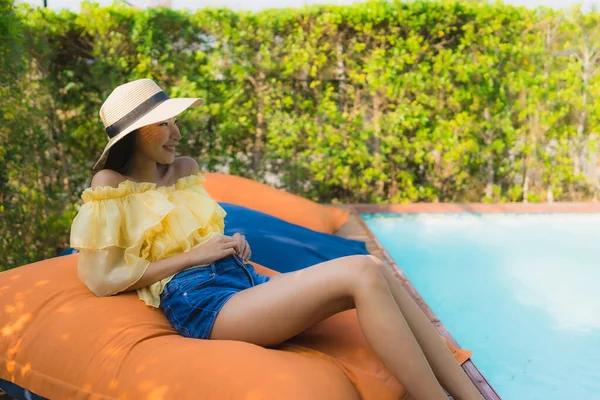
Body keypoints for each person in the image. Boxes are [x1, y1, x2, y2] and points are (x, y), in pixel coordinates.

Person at [69, 78, 482, 400]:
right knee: (360, 270)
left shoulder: (183, 170)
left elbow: (200, 236)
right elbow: (103, 278)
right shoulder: (111, 185)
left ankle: (468, 393)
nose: (176, 133)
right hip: (204, 307)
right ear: (135, 133)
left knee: (375, 269)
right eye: (164, 124)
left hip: (244, 283)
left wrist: (231, 242)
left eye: (175, 121)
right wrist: (193, 257)